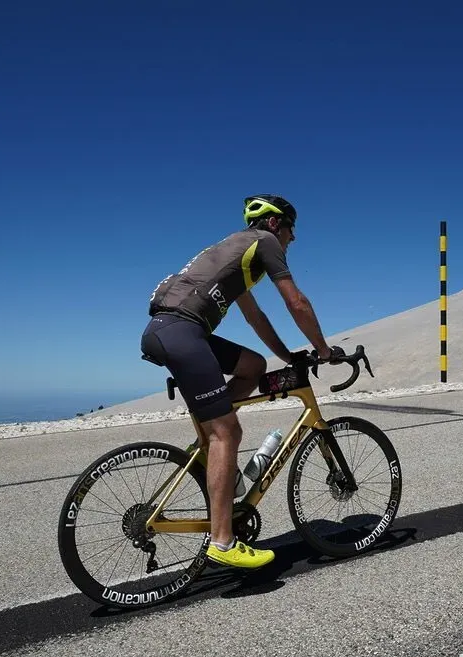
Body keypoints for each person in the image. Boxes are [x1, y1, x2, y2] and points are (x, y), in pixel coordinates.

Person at [140, 194, 339, 569]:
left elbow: (255, 319)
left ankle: (212, 456)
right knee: (227, 432)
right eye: (291, 229)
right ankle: (222, 541)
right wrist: (323, 349)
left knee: (252, 365)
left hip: (170, 330)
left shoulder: (236, 253)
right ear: (276, 224)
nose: (293, 239)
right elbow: (296, 302)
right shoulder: (264, 243)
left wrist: (287, 357)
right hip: (182, 332)